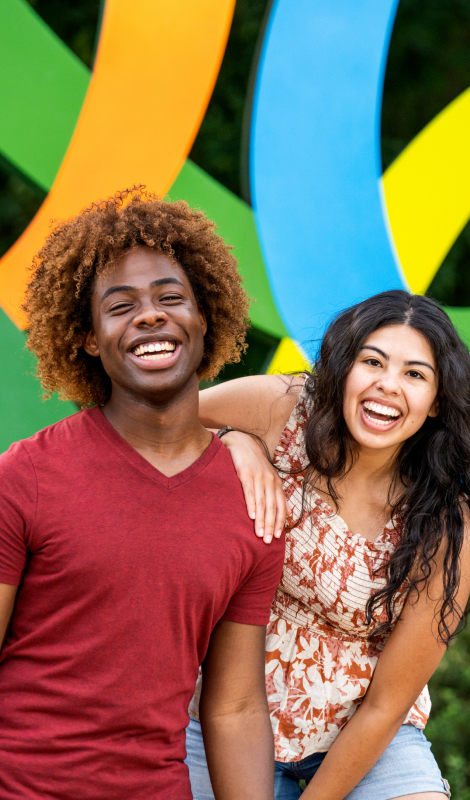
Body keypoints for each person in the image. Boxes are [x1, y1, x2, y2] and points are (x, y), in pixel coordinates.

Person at [0, 188, 285, 799]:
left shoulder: (253, 505)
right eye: (120, 305)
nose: (150, 315)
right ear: (87, 338)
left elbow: (234, 708)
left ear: (204, 318)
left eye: (170, 297)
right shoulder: (23, 477)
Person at [188, 290, 470, 800]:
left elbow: (387, 704)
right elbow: (160, 419)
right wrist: (235, 440)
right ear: (344, 370)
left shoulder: (449, 518)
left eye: (415, 374)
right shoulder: (285, 410)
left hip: (368, 740)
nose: (387, 385)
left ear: (436, 403)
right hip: (225, 714)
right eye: (372, 362)